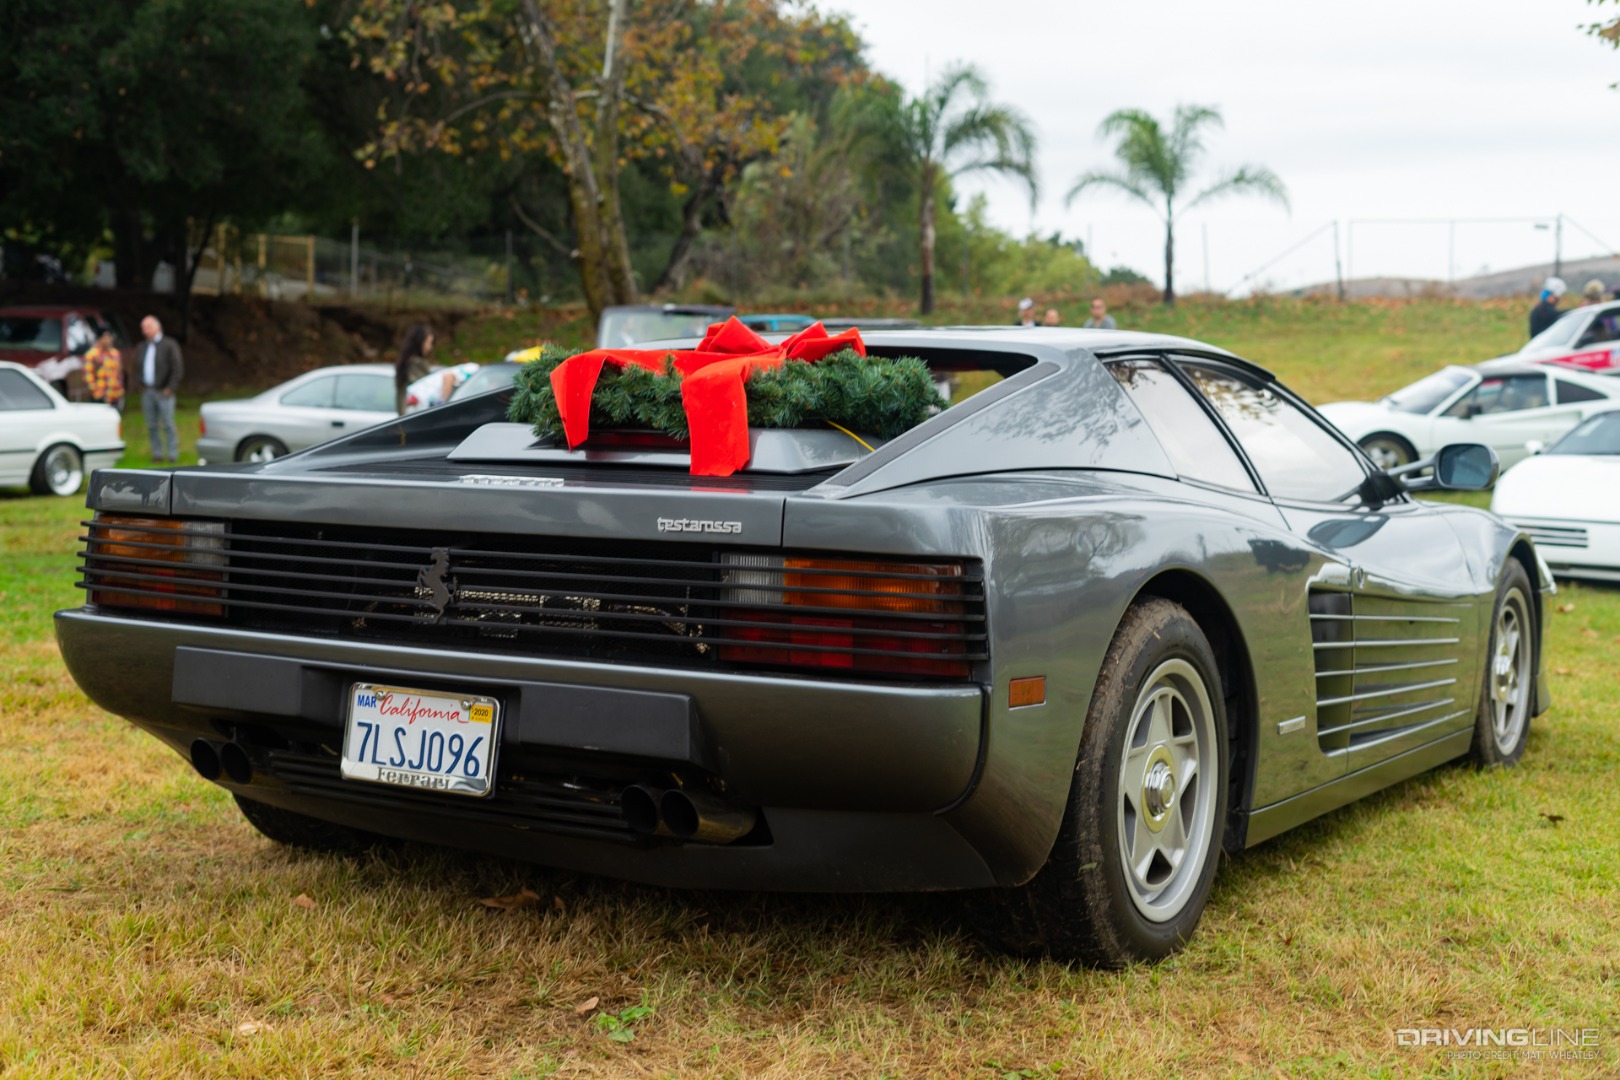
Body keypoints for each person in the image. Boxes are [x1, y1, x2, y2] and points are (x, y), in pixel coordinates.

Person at [138, 315, 182, 462]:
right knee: (152, 425)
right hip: (147, 391)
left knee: (168, 423)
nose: (145, 331)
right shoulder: (142, 347)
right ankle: (157, 453)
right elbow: (136, 368)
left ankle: (172, 454)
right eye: (143, 328)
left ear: (157, 327)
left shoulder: (169, 345)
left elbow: (177, 368)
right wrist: (140, 385)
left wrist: (170, 388)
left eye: (148, 327)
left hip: (164, 391)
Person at [394, 323, 435, 415]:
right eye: (429, 343)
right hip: (416, 415)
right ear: (420, 342)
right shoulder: (417, 364)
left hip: (405, 415)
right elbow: (426, 391)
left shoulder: (404, 362)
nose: (430, 347)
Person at [83, 330, 125, 412]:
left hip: (114, 395)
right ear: (99, 339)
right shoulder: (92, 355)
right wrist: (97, 393)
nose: (108, 340)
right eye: (105, 338)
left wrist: (120, 390)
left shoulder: (115, 354)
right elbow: (88, 377)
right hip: (100, 397)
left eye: (109, 337)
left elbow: (119, 374)